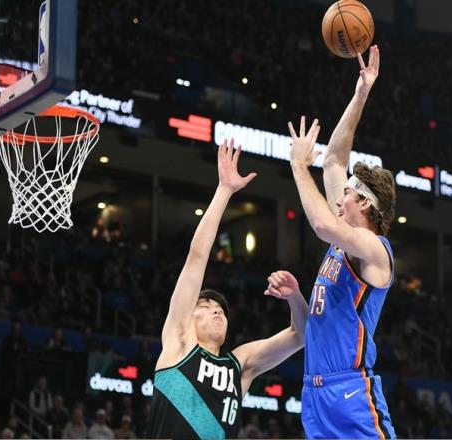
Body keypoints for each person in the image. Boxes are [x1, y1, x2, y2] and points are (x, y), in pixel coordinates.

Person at [147, 140, 309, 438]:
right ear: (188, 317)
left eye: (220, 309)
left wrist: (295, 297)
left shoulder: (239, 364)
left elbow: (301, 334)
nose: (217, 311)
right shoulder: (179, 341)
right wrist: (224, 190)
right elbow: (197, 258)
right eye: (206, 307)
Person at [284, 45, 396, 438]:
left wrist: (299, 166)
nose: (339, 197)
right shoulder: (344, 232)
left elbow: (320, 223)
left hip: (350, 391)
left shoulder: (374, 249)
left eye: (347, 192)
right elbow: (333, 161)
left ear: (365, 203)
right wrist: (361, 92)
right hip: (314, 394)